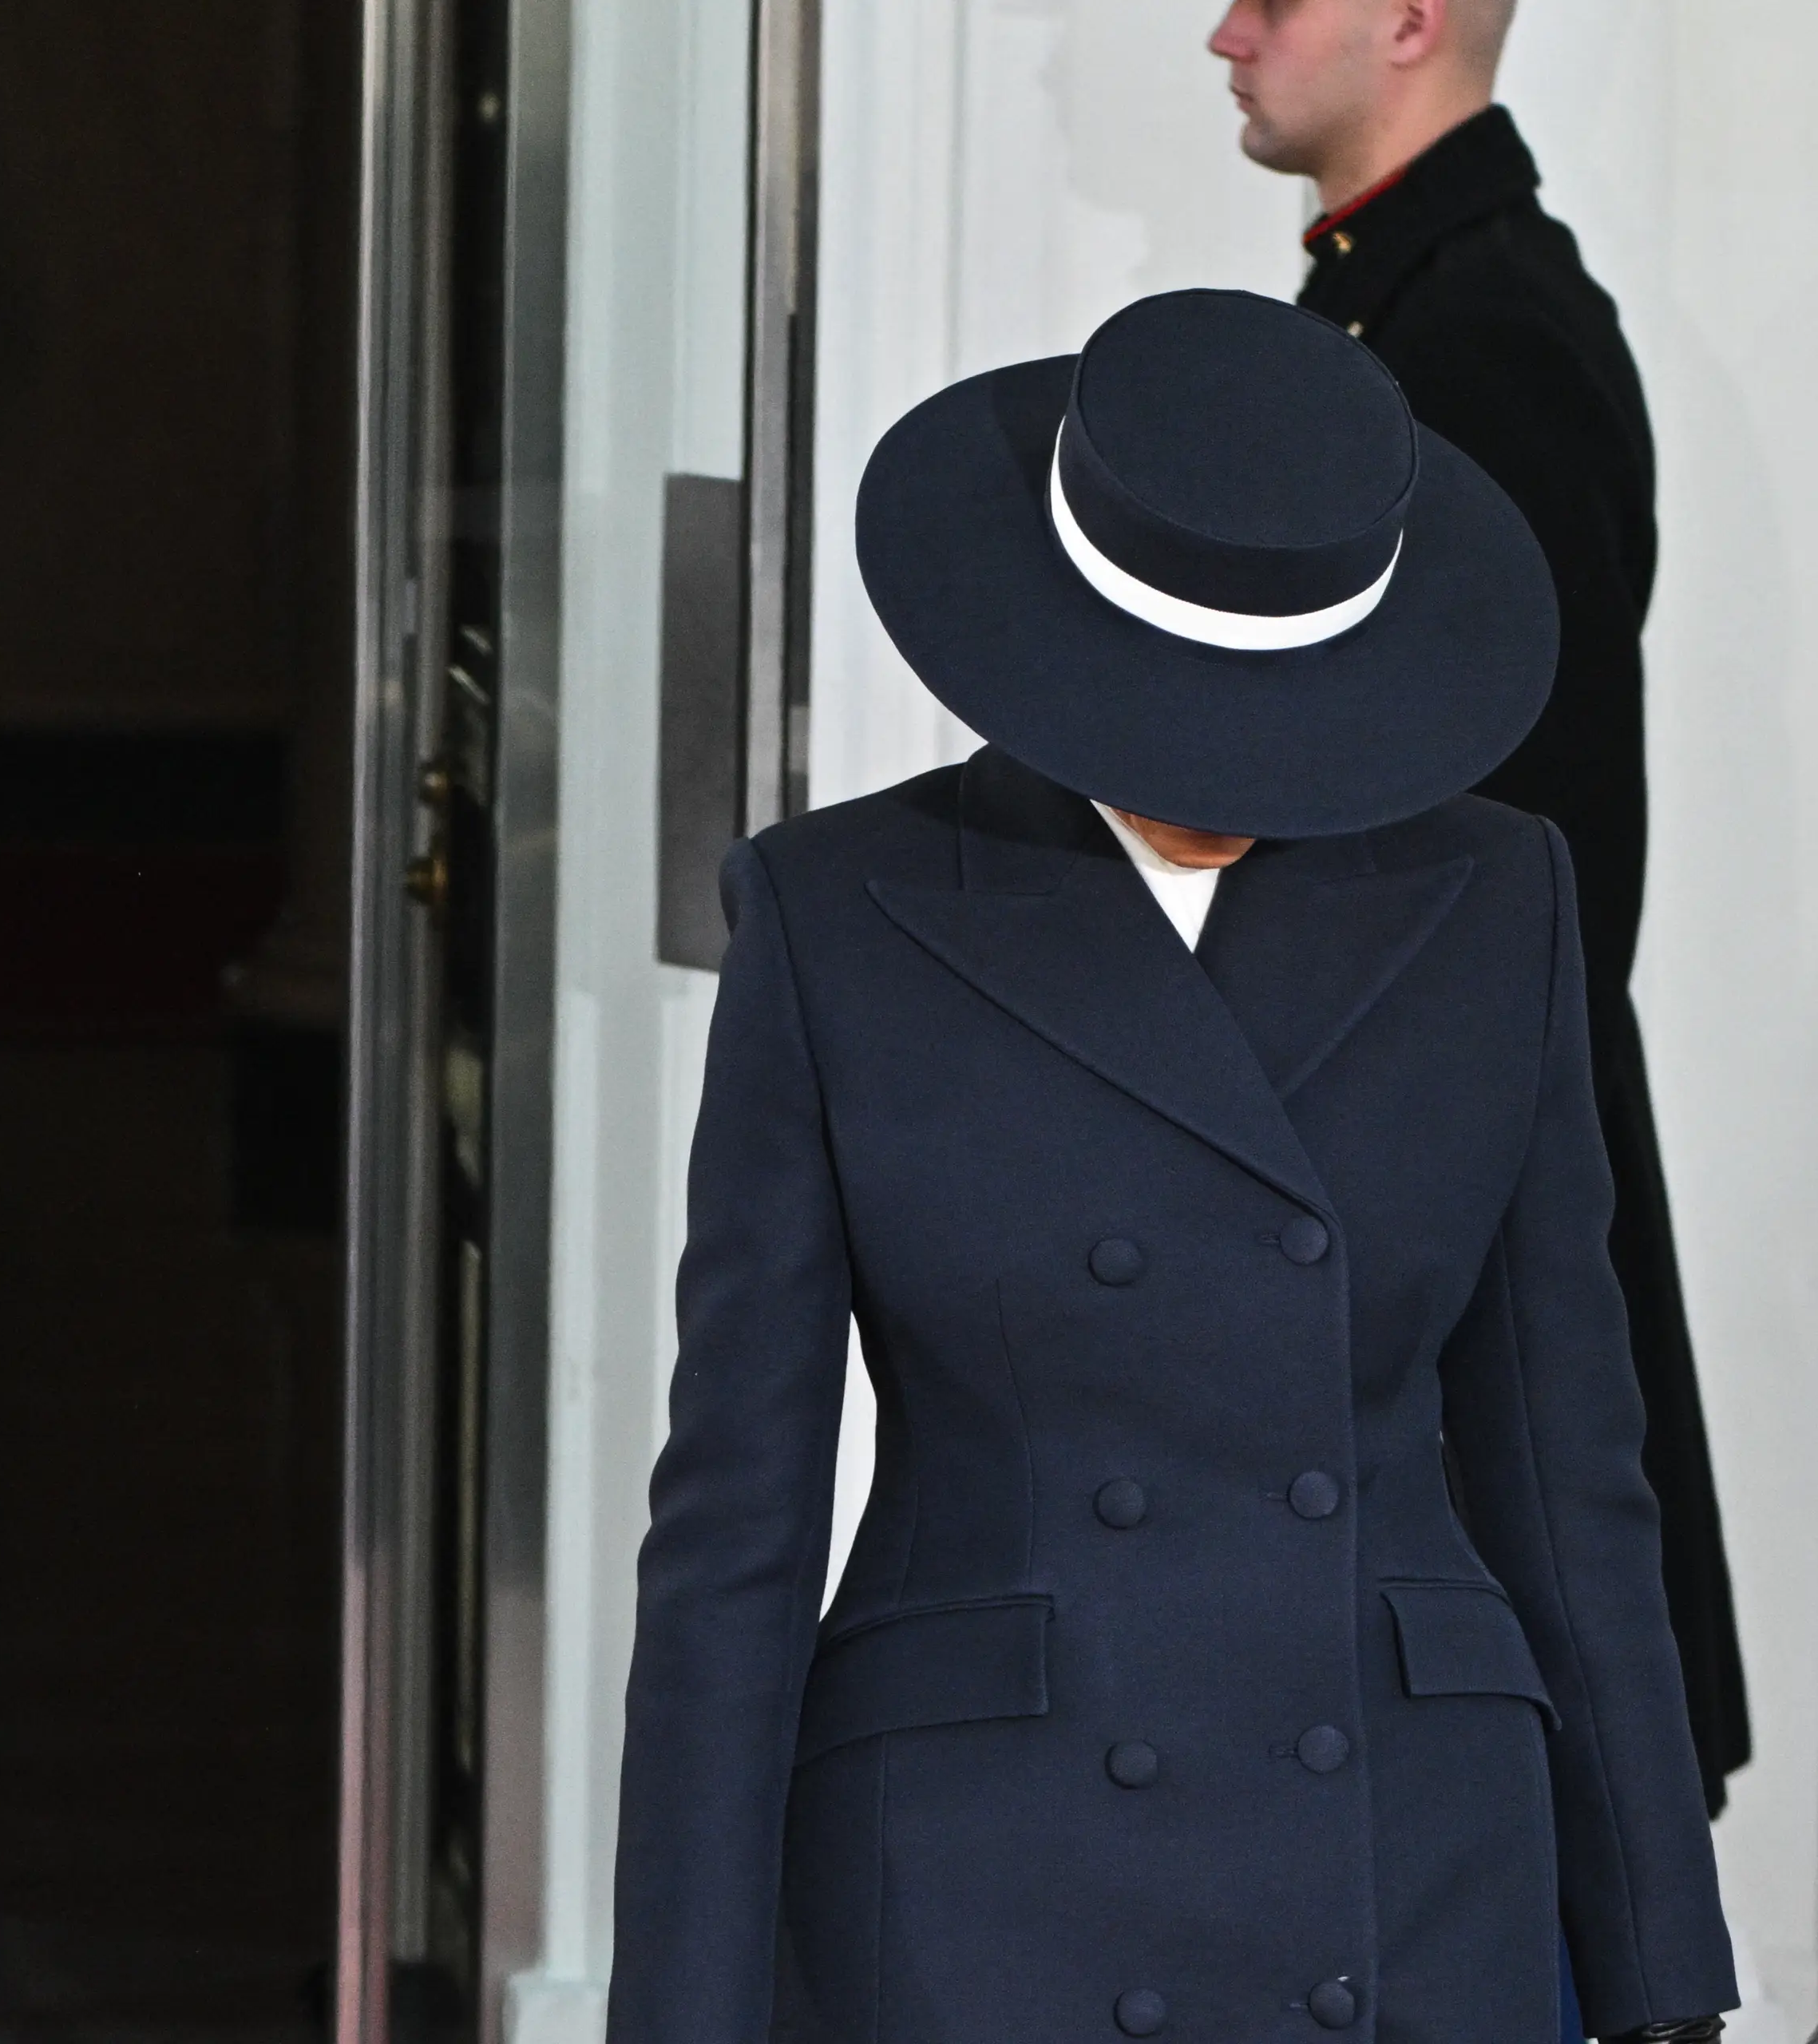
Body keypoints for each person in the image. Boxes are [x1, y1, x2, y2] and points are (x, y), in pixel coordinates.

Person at [609, 291, 1733, 2043]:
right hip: (988, 1877)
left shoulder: (1497, 902)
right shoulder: (839, 918)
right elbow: (732, 1529)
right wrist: (680, 2007)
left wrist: (1665, 1969)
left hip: (1412, 1869)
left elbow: (1573, 1470)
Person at [1208, 0, 1748, 1817]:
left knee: (1471, 1789)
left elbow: (1526, 850)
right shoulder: (1389, 311)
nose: (1222, 34)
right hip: (1358, 1165)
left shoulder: (1484, 335)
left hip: (1426, 1189)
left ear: (1410, 21)